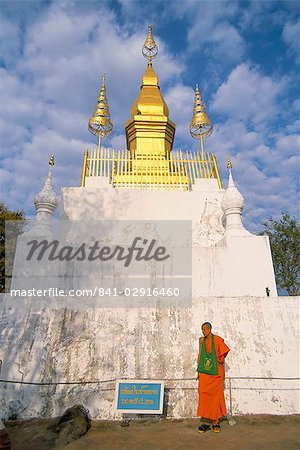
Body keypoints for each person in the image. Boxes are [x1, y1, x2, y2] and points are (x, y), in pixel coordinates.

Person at [197, 322, 230, 433]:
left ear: (210, 329)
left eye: (205, 329)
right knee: (204, 394)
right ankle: (206, 421)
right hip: (205, 373)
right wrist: (198, 371)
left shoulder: (218, 340)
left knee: (216, 396)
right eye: (202, 329)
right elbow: (200, 355)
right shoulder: (201, 340)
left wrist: (223, 374)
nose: (203, 331)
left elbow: (222, 356)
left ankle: (215, 422)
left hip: (216, 373)